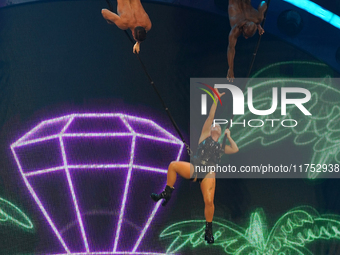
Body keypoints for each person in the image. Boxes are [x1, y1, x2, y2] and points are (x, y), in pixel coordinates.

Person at [151, 88, 239, 244]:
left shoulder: (220, 146)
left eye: (218, 127)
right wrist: (215, 100)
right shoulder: (205, 135)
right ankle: (167, 192)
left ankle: (208, 229)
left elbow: (235, 149)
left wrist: (229, 137)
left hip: (209, 173)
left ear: (220, 132)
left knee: (209, 201)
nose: (215, 127)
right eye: (214, 126)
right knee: (173, 165)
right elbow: (211, 116)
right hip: (196, 168)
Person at [227, 0, 267, 80]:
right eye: (246, 25)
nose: (244, 24)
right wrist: (230, 69)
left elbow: (264, 3)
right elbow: (264, 3)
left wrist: (230, 68)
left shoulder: (257, 17)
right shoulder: (236, 27)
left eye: (245, 26)